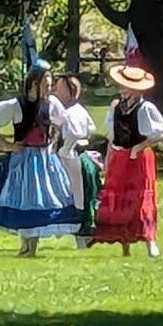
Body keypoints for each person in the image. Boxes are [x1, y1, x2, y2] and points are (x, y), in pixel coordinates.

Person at [0, 60, 81, 257]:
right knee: (24, 199)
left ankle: (31, 247)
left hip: (44, 159)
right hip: (23, 159)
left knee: (41, 199)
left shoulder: (52, 104)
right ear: (34, 83)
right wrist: (6, 144)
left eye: (50, 85)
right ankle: (26, 245)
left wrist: (54, 139)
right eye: (46, 84)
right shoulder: (15, 105)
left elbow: (62, 123)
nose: (48, 89)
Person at [91, 64, 163, 258]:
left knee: (140, 198)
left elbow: (161, 133)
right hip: (120, 157)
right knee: (119, 199)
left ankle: (150, 240)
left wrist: (140, 147)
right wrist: (108, 161)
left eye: (126, 86)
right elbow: (112, 137)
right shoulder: (116, 108)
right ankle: (124, 243)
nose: (122, 90)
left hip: (139, 159)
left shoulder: (146, 108)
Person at [53, 73, 102, 248]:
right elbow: (91, 128)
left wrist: (64, 150)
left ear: (68, 91)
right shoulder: (80, 109)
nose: (55, 92)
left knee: (77, 196)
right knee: (83, 194)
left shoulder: (69, 113)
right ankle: (84, 232)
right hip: (81, 156)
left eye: (59, 89)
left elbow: (76, 133)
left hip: (73, 158)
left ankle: (84, 233)